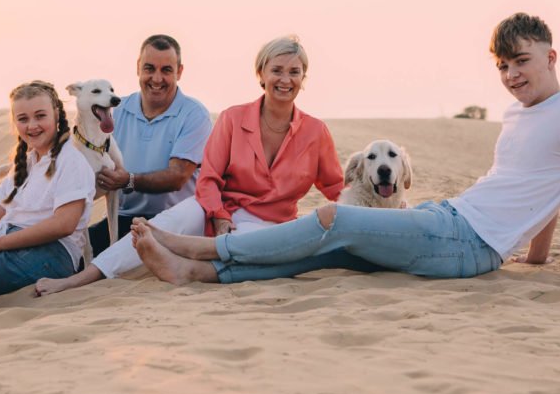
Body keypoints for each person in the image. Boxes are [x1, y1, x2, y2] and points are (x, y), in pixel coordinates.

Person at [130, 13, 560, 289]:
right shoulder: (520, 116)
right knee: (337, 251)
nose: (512, 75)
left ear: (551, 56)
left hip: (465, 243)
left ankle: (204, 252)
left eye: (522, 61)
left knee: (331, 216)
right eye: (503, 66)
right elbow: (544, 192)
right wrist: (537, 258)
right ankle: (204, 276)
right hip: (449, 218)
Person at [36, 34, 347, 295]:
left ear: (303, 79)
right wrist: (220, 216)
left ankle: (185, 263)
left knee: (244, 244)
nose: (284, 79)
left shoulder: (315, 132)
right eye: (277, 70)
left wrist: (383, 205)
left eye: (294, 72)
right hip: (213, 210)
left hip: (266, 223)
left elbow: (337, 189)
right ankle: (78, 280)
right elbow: (209, 180)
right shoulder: (233, 119)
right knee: (153, 228)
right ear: (261, 74)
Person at [0, 81, 95, 300]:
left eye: (40, 116)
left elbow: (64, 224)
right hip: (11, 245)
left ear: (57, 116)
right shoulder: (26, 163)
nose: (32, 125)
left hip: (50, 254)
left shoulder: (71, 162)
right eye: (23, 119)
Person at [84, 34, 213, 256]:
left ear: (179, 72)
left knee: (109, 260)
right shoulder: (117, 110)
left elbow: (178, 176)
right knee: (74, 253)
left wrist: (129, 180)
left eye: (166, 70)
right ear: (138, 68)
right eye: (149, 68)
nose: (156, 78)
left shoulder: (194, 114)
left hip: (175, 224)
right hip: (122, 218)